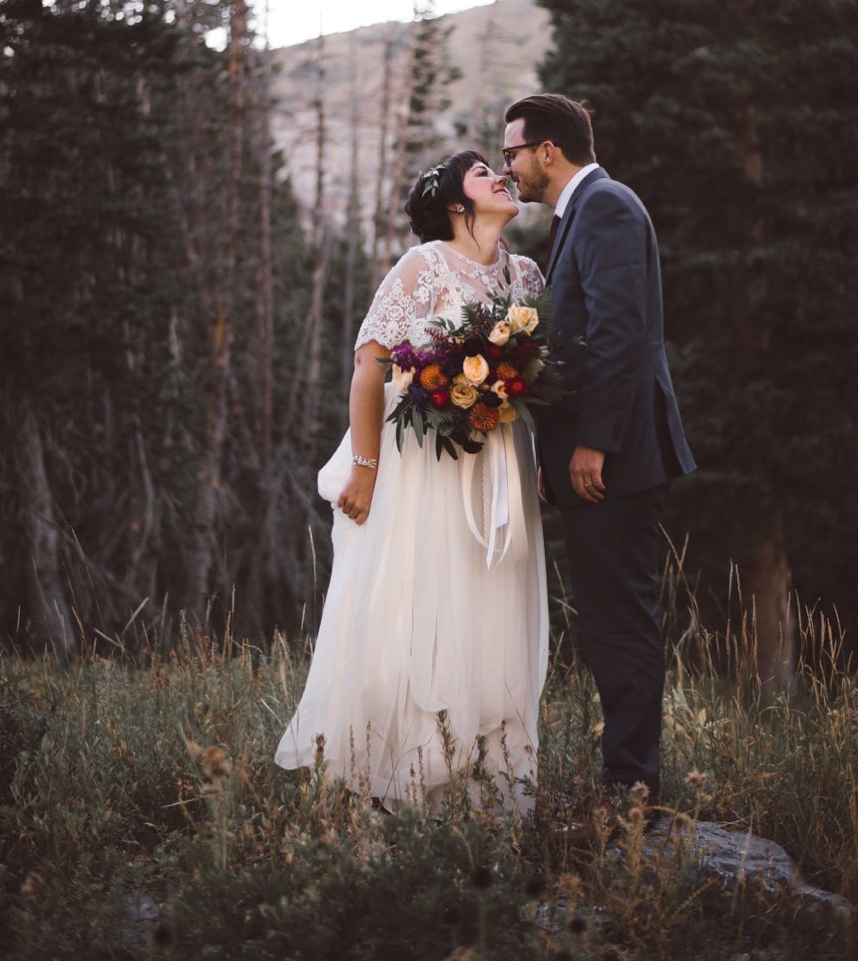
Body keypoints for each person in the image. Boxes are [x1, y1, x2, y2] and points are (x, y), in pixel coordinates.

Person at [275, 151, 548, 813]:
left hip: (499, 462)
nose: (502, 180)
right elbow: (370, 368)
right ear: (457, 203)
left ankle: (483, 780)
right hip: (425, 465)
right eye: (486, 174)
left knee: (493, 605)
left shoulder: (528, 275)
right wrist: (365, 469)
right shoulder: (421, 268)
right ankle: (399, 770)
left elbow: (543, 373)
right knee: (421, 602)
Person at [502, 94, 695, 825]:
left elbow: (619, 335)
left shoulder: (607, 205)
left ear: (548, 151)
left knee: (622, 621)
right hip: (590, 456)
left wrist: (593, 443)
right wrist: (560, 448)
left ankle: (633, 790)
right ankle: (627, 781)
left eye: (513, 150)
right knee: (612, 618)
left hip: (615, 458)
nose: (510, 164)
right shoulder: (583, 213)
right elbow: (580, 343)